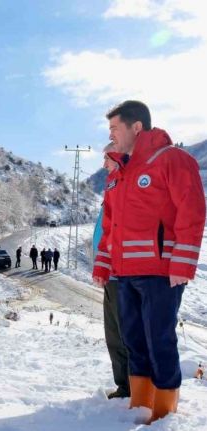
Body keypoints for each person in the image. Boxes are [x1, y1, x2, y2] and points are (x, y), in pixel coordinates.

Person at [92, 101, 205, 423]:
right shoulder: (118, 175)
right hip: (124, 274)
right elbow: (110, 228)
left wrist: (182, 265)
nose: (110, 134)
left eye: (114, 128)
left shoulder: (172, 159)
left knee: (160, 341)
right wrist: (103, 266)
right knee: (133, 341)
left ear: (136, 126)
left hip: (160, 273)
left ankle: (165, 411)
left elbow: (192, 211)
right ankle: (141, 405)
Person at [94, 142, 131, 400]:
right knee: (113, 335)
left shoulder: (126, 188)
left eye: (106, 159)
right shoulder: (111, 188)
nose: (103, 165)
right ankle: (124, 386)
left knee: (124, 335)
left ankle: (132, 389)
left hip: (123, 274)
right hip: (110, 273)